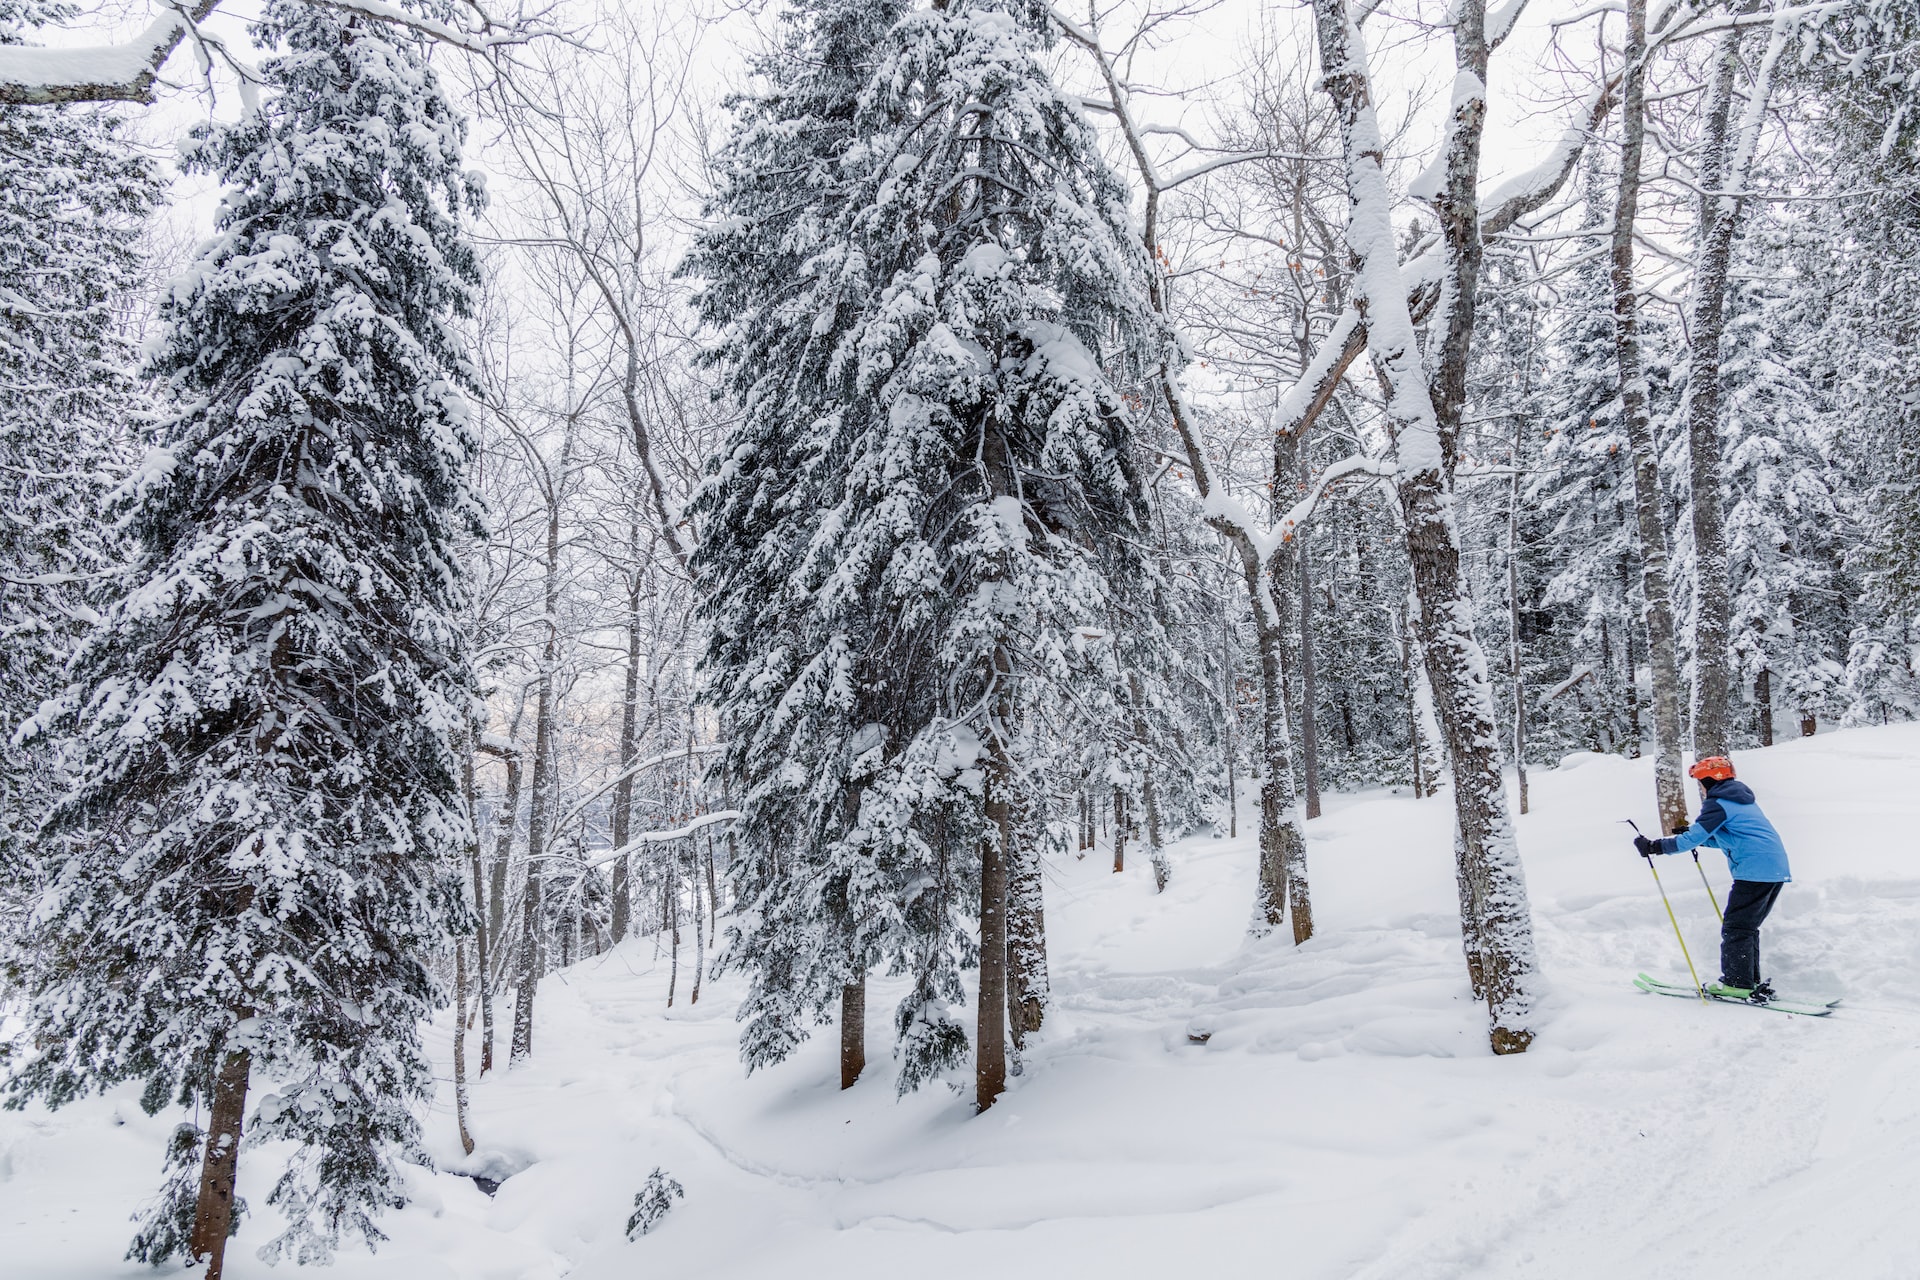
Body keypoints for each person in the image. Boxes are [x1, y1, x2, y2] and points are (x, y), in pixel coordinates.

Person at [1634, 756, 1791, 1002]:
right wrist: (1694, 837)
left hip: (1754, 871)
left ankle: (1737, 983)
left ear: (1709, 780)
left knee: (1735, 927)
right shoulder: (1742, 800)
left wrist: (1654, 847)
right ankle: (1749, 980)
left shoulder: (1718, 803)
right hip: (1775, 868)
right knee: (1746, 927)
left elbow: (1691, 840)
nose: (1701, 786)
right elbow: (1727, 838)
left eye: (1700, 781)